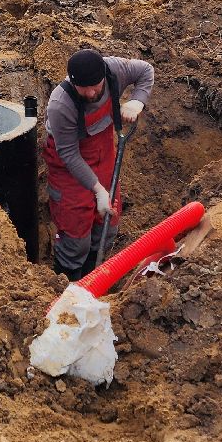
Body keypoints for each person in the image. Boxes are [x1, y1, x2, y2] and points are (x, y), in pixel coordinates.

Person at [43, 48, 154, 280]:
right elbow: (69, 154)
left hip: (103, 153)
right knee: (75, 236)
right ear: (73, 83)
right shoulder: (60, 104)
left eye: (97, 86)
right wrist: (97, 190)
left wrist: (137, 100)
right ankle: (68, 286)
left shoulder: (115, 69)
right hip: (69, 167)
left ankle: (94, 278)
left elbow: (146, 70)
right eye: (84, 88)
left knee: (107, 223)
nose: (92, 92)